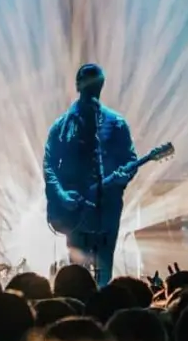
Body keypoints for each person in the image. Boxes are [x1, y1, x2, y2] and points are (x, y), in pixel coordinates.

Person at [43, 64, 139, 287]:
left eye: (96, 82)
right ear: (77, 85)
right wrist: (62, 195)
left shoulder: (116, 123)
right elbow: (49, 166)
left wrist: (122, 178)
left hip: (106, 207)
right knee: (77, 268)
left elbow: (130, 159)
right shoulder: (62, 126)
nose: (92, 87)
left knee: (104, 264)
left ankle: (101, 305)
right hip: (75, 208)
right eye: (87, 82)